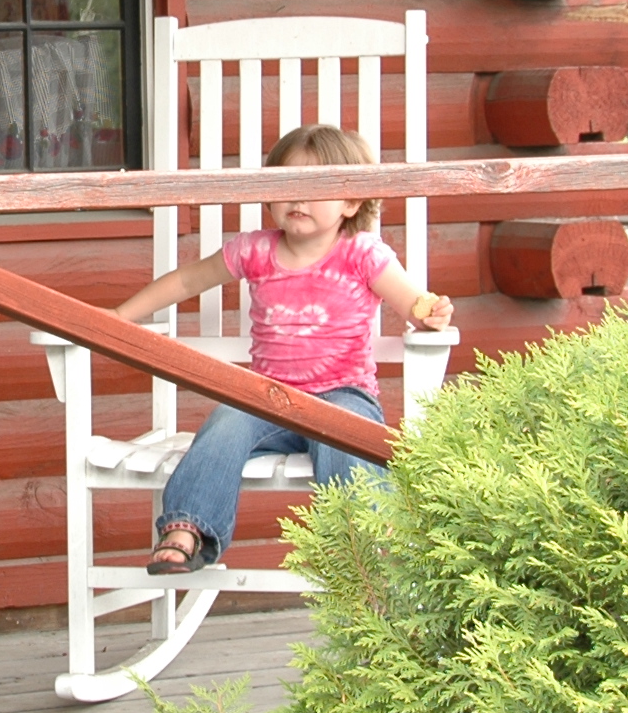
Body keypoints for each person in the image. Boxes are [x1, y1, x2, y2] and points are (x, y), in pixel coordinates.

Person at [112, 123, 454, 574]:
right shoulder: (256, 251)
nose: (298, 199)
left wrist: (430, 314)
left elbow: (413, 303)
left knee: (346, 440)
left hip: (343, 394)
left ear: (351, 202)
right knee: (224, 425)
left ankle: (369, 543)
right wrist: (120, 317)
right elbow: (188, 280)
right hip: (267, 397)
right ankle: (187, 528)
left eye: (316, 189)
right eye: (287, 185)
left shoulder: (362, 254)